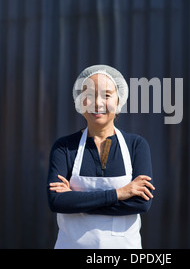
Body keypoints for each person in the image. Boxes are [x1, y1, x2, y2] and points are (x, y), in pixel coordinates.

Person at [47, 64, 155, 249]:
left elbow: (141, 203)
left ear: (119, 99)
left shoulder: (136, 145)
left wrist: (76, 201)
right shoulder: (64, 147)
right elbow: (57, 202)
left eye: (106, 95)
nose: (97, 103)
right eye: (88, 95)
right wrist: (120, 194)